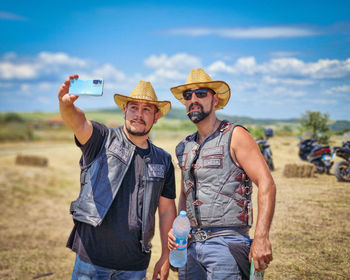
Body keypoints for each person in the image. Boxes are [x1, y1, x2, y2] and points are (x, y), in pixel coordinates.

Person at [58, 74, 177, 280]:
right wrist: (66, 106)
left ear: (156, 117)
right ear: (124, 111)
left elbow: (166, 210)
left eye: (146, 109)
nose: (138, 114)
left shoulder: (163, 160)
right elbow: (79, 123)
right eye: (133, 108)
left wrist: (166, 256)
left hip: (135, 265)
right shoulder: (102, 138)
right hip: (92, 261)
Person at [168, 68, 276, 279]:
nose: (193, 100)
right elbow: (185, 195)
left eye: (201, 93)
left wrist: (262, 237)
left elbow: (266, 183)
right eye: (188, 96)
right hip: (190, 248)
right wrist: (177, 229)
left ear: (215, 99)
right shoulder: (184, 146)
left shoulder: (235, 135)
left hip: (227, 244)